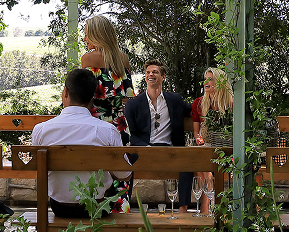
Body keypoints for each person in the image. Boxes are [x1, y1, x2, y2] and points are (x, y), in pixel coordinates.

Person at [30, 68, 127, 218]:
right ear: (92, 98)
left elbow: (37, 170)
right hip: (97, 208)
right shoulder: (108, 131)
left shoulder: (41, 130)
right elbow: (124, 174)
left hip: (60, 209)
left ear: (65, 93)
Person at [79, 15, 136, 205]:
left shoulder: (88, 59)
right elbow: (127, 97)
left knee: (95, 182)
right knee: (121, 184)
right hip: (120, 127)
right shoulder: (123, 59)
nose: (85, 39)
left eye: (87, 35)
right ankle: (121, 213)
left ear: (97, 35)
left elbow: (84, 97)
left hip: (95, 127)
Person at [125, 59, 192, 209]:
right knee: (124, 161)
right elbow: (131, 134)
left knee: (188, 160)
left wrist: (213, 99)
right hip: (144, 150)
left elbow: (194, 110)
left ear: (163, 76)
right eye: (148, 72)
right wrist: (146, 148)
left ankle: (183, 210)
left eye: (155, 72)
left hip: (170, 150)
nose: (150, 74)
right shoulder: (133, 104)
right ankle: (124, 206)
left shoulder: (175, 100)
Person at [191, 67, 233, 215]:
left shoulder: (231, 104)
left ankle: (206, 208)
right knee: (202, 161)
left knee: (203, 164)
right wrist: (198, 138)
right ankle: (210, 204)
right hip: (206, 146)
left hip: (226, 148)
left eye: (211, 79)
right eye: (205, 79)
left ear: (221, 83)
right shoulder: (199, 103)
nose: (206, 82)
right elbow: (196, 133)